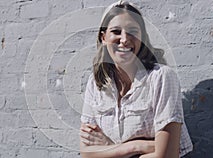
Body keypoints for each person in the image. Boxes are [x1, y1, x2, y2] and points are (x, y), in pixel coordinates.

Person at [79, 1, 193, 158]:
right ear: (104, 37)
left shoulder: (161, 78)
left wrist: (107, 149)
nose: (124, 39)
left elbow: (167, 155)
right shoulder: (95, 83)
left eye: (132, 31)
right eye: (116, 31)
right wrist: (135, 146)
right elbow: (86, 153)